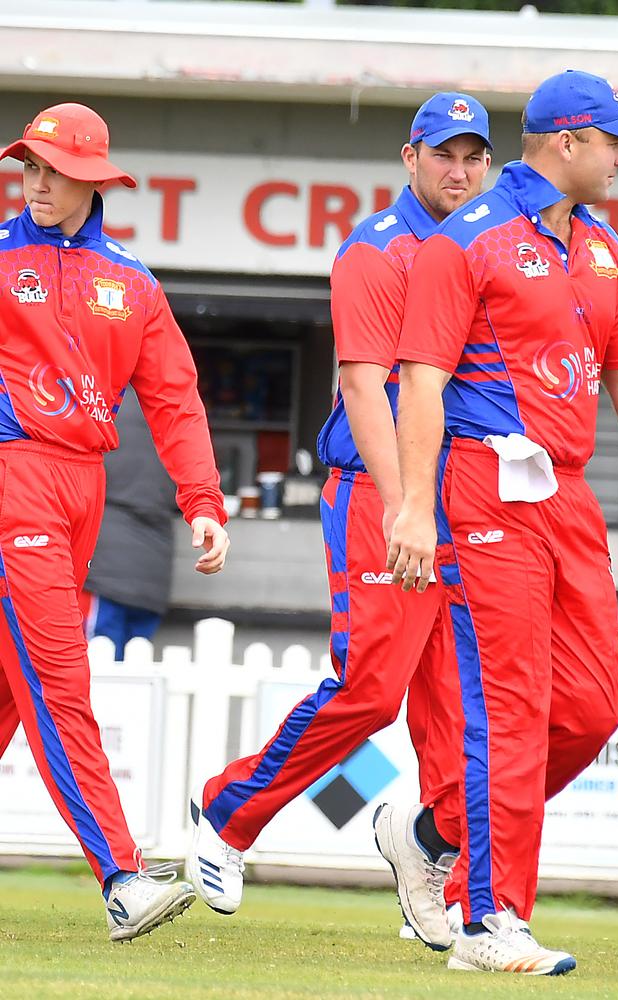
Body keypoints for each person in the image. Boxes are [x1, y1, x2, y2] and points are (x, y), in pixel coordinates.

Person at [185, 93, 492, 950]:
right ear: (409, 158)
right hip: (379, 494)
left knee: (463, 710)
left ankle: (436, 861)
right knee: (372, 689)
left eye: (474, 158)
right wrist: (407, 507)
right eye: (444, 156)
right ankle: (227, 812)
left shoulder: (486, 249)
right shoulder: (376, 249)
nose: (459, 173)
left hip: (459, 500)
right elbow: (363, 386)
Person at [387, 70, 618, 975]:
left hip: (567, 496)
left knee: (590, 706)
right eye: (613, 140)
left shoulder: (606, 249)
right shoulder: (467, 241)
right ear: (566, 141)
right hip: (484, 487)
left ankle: (432, 831)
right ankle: (488, 921)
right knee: (512, 707)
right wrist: (414, 508)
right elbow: (418, 375)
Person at [0, 103, 230, 941]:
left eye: (52, 170)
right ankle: (122, 875)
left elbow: (175, 400)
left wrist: (203, 501)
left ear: (93, 180)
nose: (35, 182)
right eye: (28, 167)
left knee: (9, 695)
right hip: (14, 476)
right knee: (60, 685)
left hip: (81, 491)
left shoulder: (131, 281)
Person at [81, 386, 178, 659]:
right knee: (134, 676)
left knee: (90, 670)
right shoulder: (170, 403)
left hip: (103, 569)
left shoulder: (95, 399)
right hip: (154, 572)